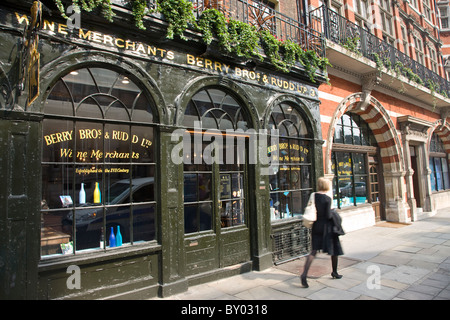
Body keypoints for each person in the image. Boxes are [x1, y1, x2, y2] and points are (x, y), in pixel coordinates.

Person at [300, 177, 344, 288]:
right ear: (327, 186)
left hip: (316, 225)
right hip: (327, 227)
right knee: (334, 249)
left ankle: (304, 274)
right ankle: (334, 272)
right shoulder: (327, 198)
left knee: (313, 251)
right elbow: (329, 215)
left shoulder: (313, 195)